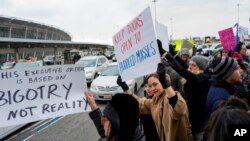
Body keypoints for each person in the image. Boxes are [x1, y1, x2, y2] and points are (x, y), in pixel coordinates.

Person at [117, 63, 193, 141]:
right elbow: (140, 102)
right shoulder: (155, 100)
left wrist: (165, 83)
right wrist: (125, 87)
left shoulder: (173, 97)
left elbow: (179, 109)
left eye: (155, 84)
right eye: (150, 85)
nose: (152, 88)